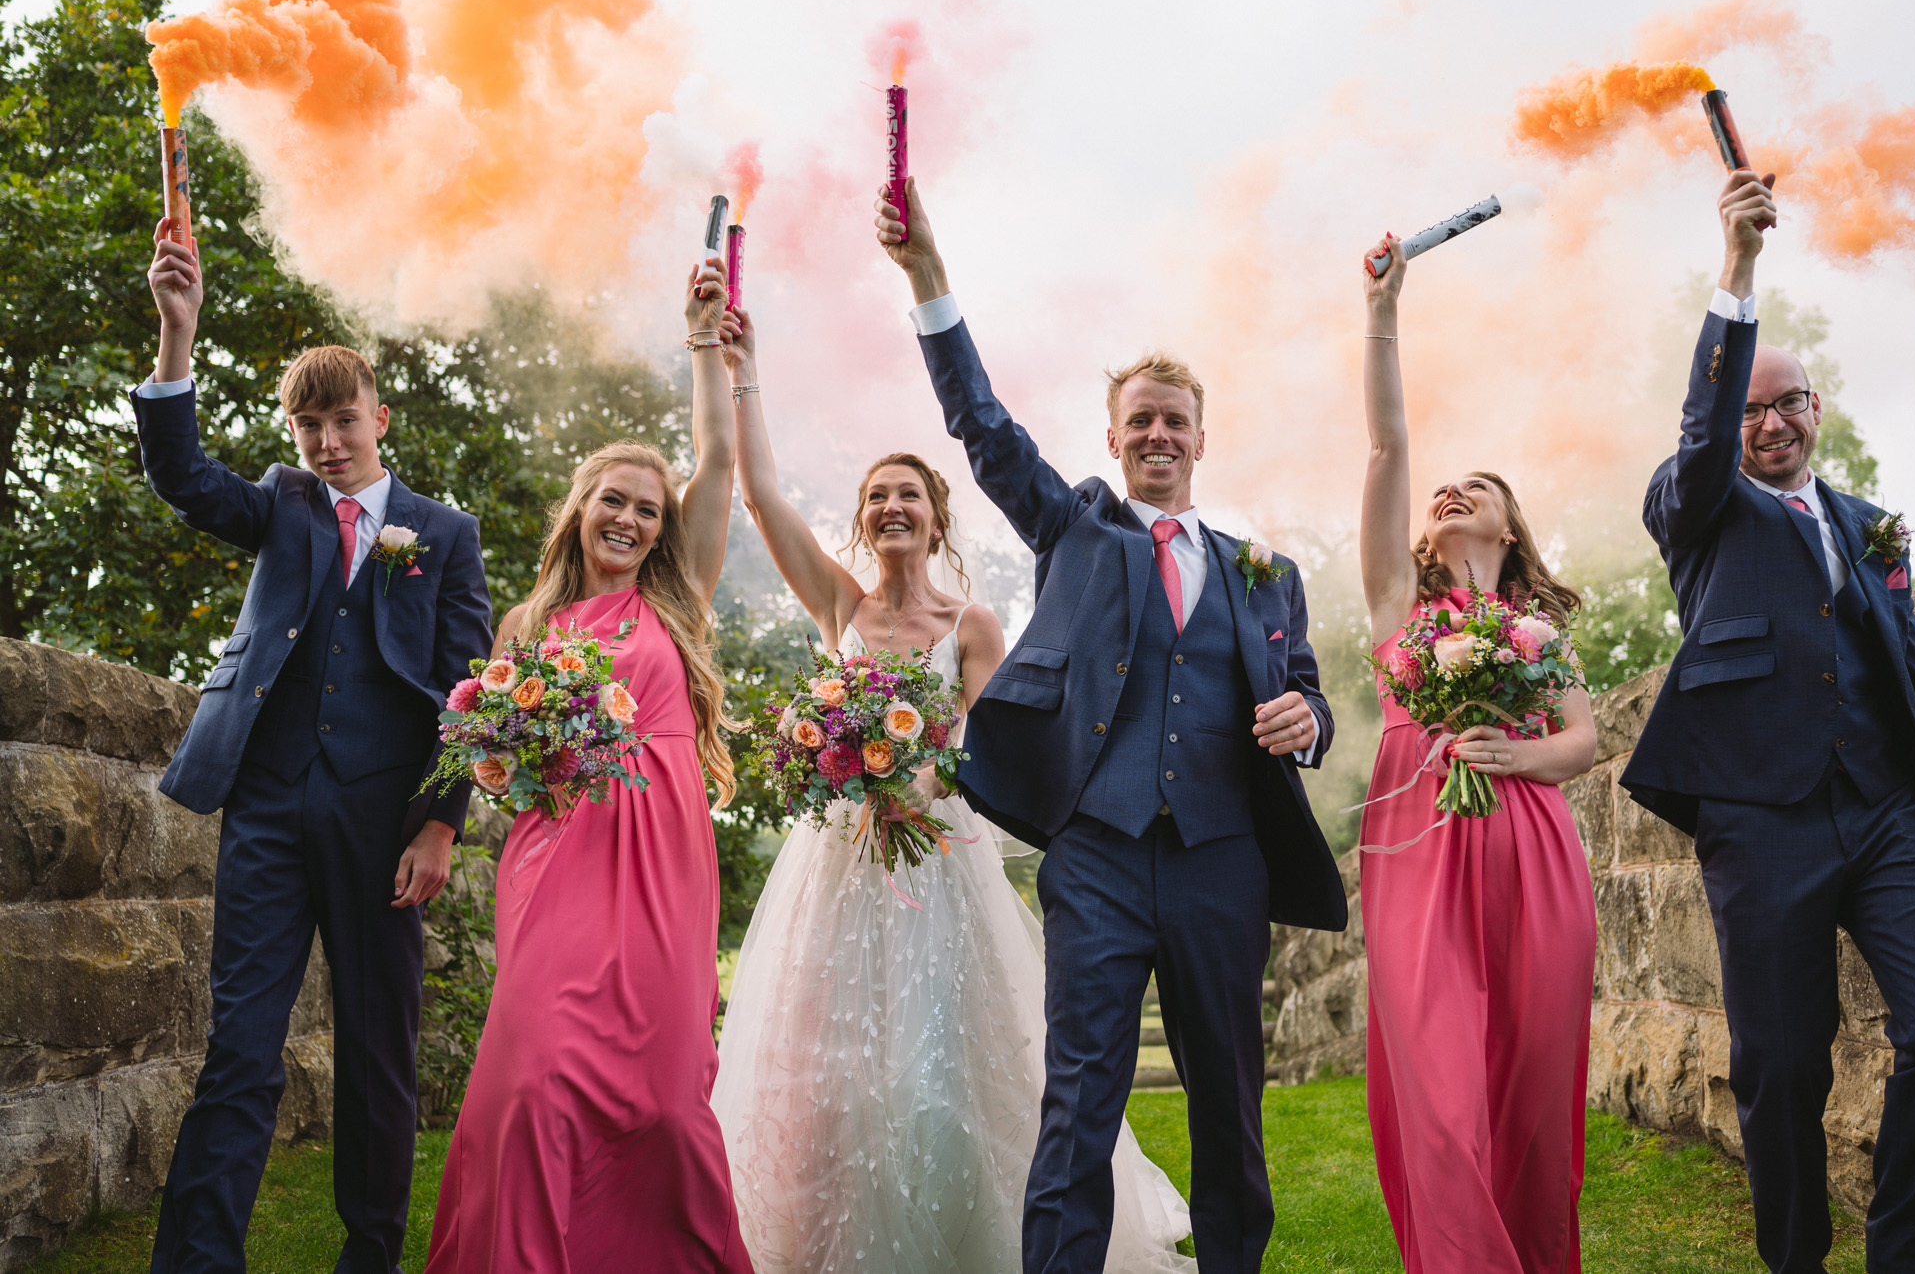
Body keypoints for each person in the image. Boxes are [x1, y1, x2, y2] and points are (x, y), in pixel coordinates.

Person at [875, 179, 1345, 1274]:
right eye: (1138, 419)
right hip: (1093, 851)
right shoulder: (1076, 524)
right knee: (1079, 1094)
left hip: (1222, 859)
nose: (1155, 435)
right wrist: (926, 279)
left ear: (1199, 439)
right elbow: (983, 430)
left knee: (1229, 1095)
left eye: (1173, 420)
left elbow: (1310, 690)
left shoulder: (1263, 572)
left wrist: (1305, 719)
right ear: (1114, 436)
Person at [709, 304, 1196, 1272]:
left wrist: (928, 766)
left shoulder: (968, 622)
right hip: (839, 862)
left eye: (909, 495)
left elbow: (1005, 746)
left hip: (934, 858)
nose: (892, 507)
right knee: (830, 1067)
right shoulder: (838, 604)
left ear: (935, 516)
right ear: (862, 516)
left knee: (943, 1067)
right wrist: (745, 368)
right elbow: (760, 497)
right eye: (877, 496)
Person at [1623, 170, 1915, 1274]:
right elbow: (1701, 423)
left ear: (1817, 412)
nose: (1768, 420)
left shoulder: (1871, 525)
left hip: (1885, 816)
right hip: (1758, 820)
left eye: (1788, 402)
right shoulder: (1692, 504)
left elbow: (1909, 679)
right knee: (1781, 1066)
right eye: (1749, 406)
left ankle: (1904, 1256)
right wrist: (1735, 272)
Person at [133, 217, 492, 1274]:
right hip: (267, 809)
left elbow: (466, 693)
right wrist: (176, 332)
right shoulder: (282, 505)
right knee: (239, 1047)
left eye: (341, 421)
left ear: (379, 415)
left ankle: (369, 1254)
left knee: (378, 1052)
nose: (327, 443)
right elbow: (182, 474)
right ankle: (199, 1259)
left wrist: (438, 821)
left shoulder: (444, 531)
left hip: (386, 820)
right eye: (307, 428)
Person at [424, 258, 752, 1272]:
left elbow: (718, 461)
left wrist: (705, 343)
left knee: (656, 1095)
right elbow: (494, 760)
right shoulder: (528, 622)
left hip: (662, 860)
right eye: (615, 501)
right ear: (581, 506)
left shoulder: (674, 602)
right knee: (529, 1081)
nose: (631, 520)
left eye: (648, 510)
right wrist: (507, 764)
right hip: (556, 853)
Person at [1354, 234, 1599, 1272]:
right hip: (1419, 845)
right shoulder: (1397, 605)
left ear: (1509, 525)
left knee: (1529, 1095)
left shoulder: (1539, 628)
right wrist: (1380, 314)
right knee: (1442, 1093)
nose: (1448, 490)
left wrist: (1514, 754)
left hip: (1533, 854)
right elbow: (1386, 450)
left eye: (1476, 486)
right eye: (1441, 488)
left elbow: (1583, 739)